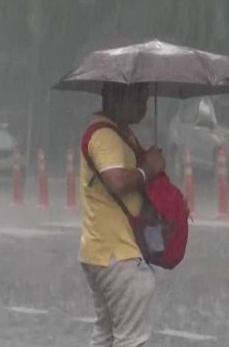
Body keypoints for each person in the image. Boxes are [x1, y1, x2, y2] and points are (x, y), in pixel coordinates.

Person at [80, 82, 166, 347]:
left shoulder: (119, 134)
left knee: (106, 335)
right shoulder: (105, 136)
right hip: (119, 255)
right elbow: (116, 180)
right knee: (131, 339)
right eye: (139, 99)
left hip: (102, 252)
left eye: (147, 99)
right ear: (117, 97)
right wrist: (146, 170)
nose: (145, 106)